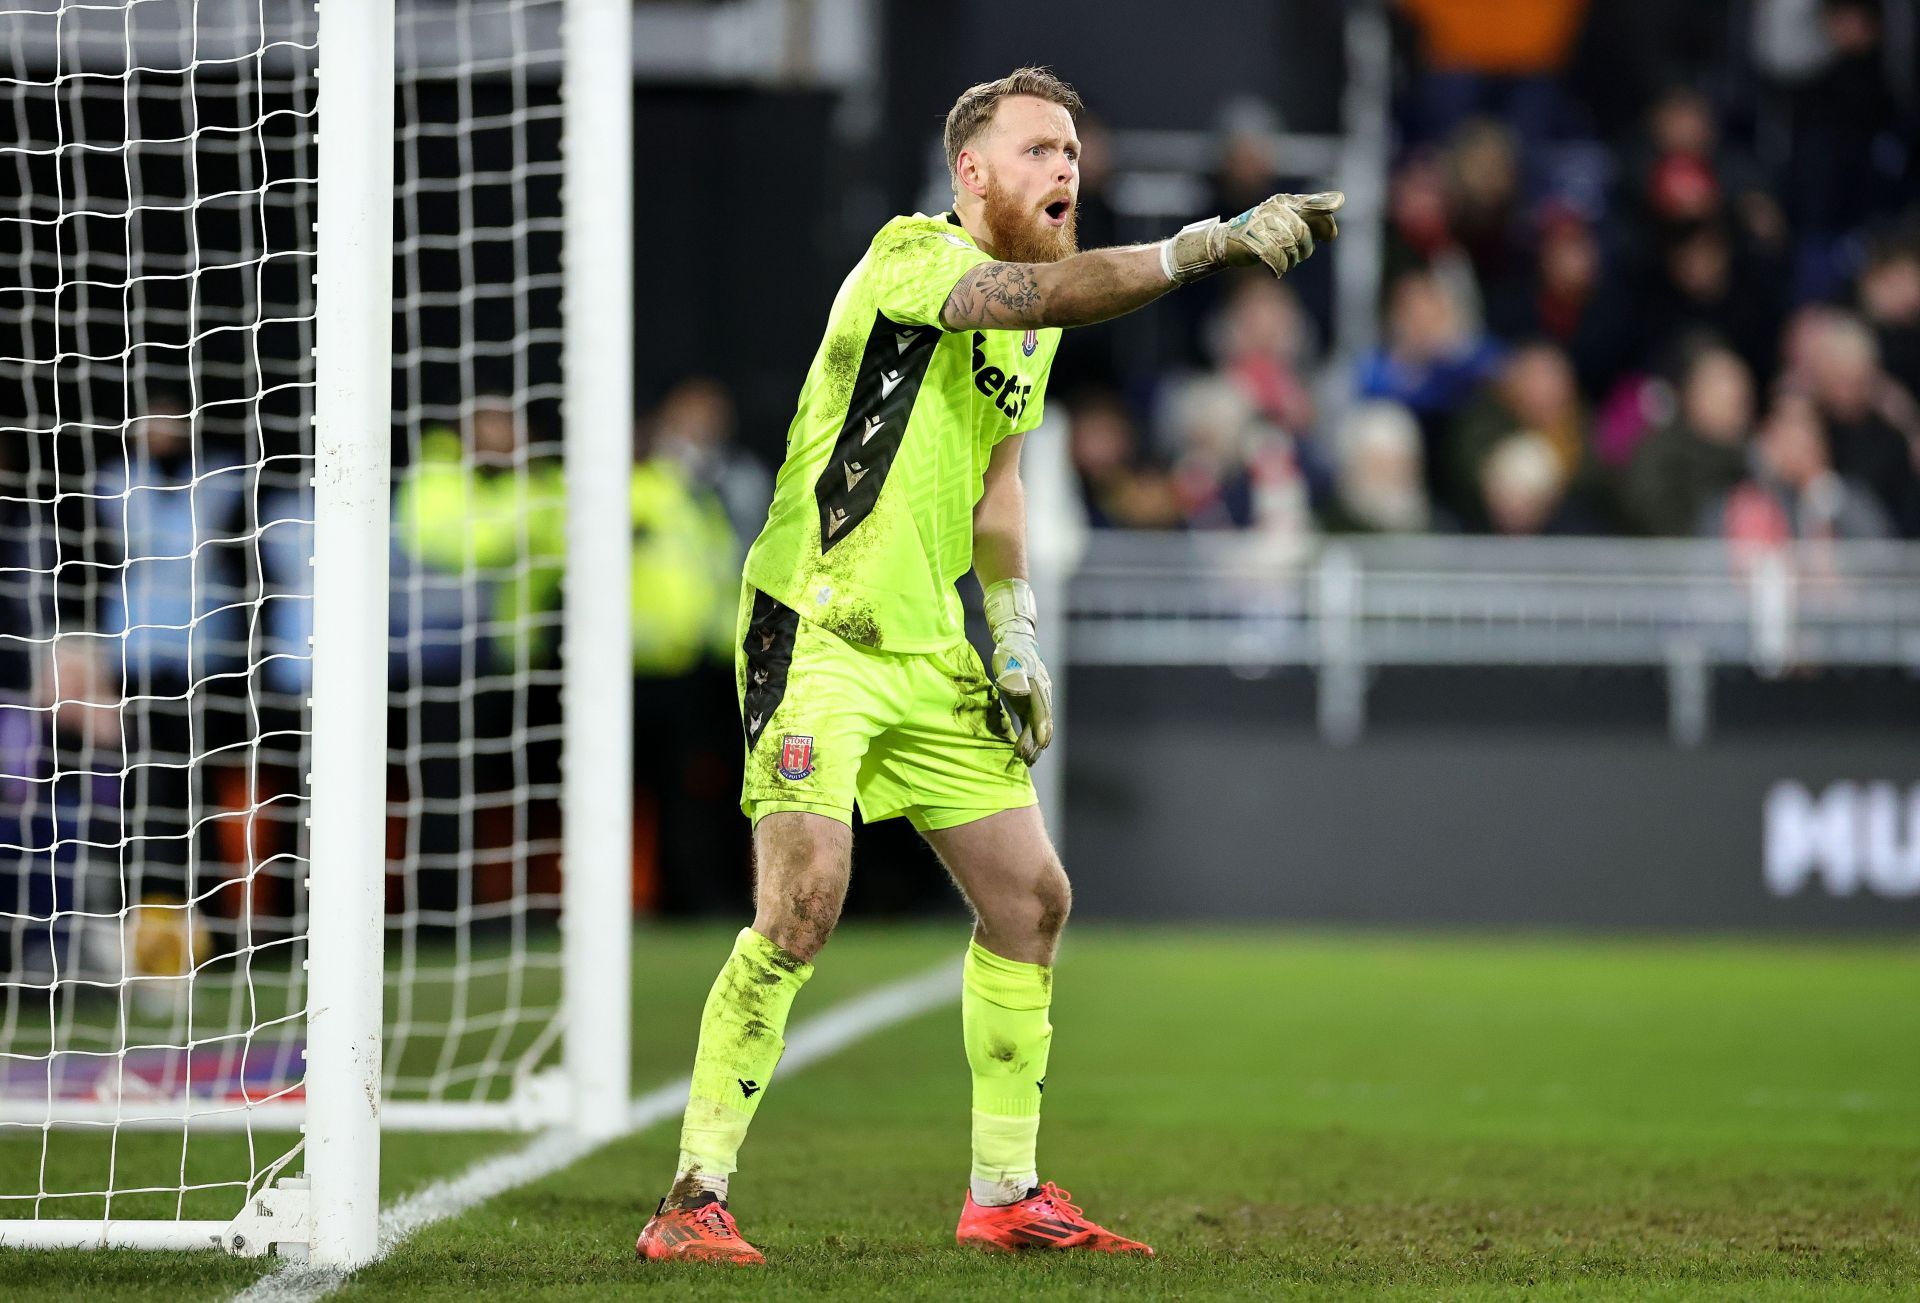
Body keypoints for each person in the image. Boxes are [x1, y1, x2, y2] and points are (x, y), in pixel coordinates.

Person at [634, 66, 1341, 1266]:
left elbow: (1000, 485)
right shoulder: (912, 258)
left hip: (926, 646)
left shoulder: (1038, 333)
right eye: (1037, 150)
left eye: (1071, 151)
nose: (1066, 168)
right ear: (972, 173)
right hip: (817, 624)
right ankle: (692, 1196)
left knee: (1032, 901)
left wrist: (1011, 629)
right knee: (803, 903)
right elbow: (1046, 290)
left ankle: (1005, 1192)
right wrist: (1207, 245)